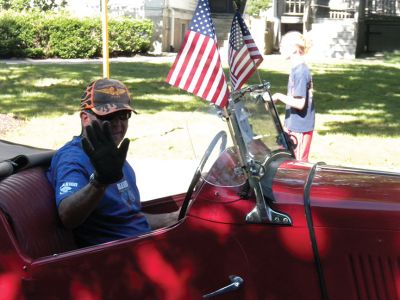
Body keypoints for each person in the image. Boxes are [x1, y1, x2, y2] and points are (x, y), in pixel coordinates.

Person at [47, 78, 151, 247]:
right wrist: (99, 182)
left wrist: (175, 216)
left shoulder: (115, 158)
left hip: (141, 246)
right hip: (113, 258)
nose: (118, 124)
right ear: (85, 118)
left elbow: (130, 219)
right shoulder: (73, 158)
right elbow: (67, 216)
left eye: (124, 116)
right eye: (108, 117)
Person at [265, 31, 315, 161]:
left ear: (293, 48)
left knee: (298, 166)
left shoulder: (301, 71)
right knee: (287, 161)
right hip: (292, 125)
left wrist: (278, 96)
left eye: (282, 46)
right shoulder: (295, 69)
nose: (280, 49)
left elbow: (300, 103)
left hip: (300, 128)